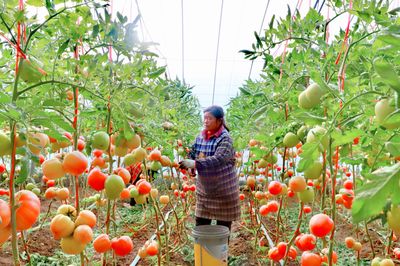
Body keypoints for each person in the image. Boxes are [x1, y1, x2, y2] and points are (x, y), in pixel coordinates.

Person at [179, 105, 240, 231]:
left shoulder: (225, 138)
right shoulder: (200, 136)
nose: (206, 121)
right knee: (201, 226)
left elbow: (219, 159)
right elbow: (193, 152)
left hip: (224, 192)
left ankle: (220, 251)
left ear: (219, 120)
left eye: (209, 118)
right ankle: (202, 251)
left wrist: (195, 164)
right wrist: (191, 165)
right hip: (205, 193)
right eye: (205, 118)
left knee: (222, 230)